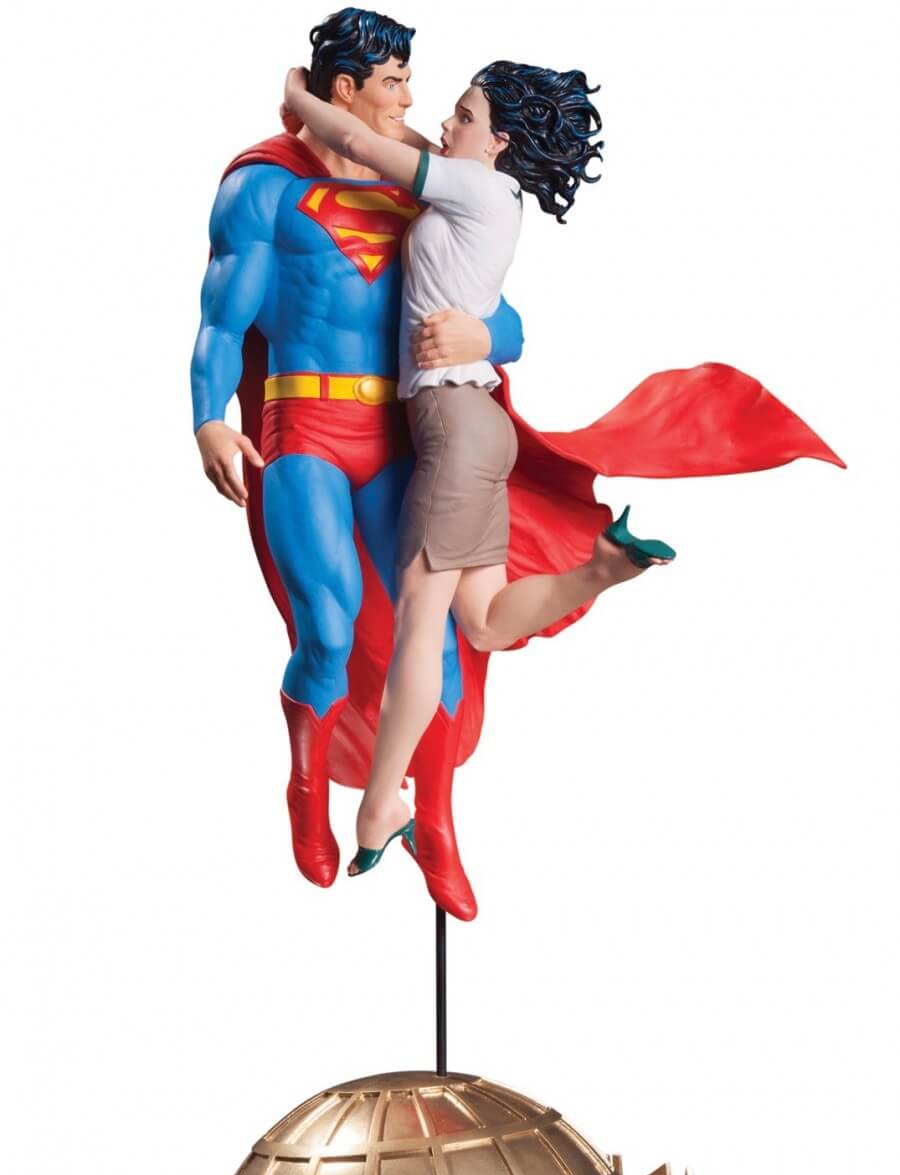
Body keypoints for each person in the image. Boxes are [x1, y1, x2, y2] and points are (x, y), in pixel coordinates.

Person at [281, 60, 678, 877]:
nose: (444, 122)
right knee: (485, 621)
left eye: (464, 114)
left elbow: (365, 141)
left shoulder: (472, 189)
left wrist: (298, 96)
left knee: (420, 629)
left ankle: (380, 805)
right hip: (476, 424)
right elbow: (404, 141)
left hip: (454, 427)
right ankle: (602, 567)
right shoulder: (492, 194)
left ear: (497, 141)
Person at [191, 8, 526, 921]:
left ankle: (436, 822)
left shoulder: (428, 187)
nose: (412, 99)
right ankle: (307, 783)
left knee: (441, 640)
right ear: (347, 89)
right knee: (329, 629)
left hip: (404, 439)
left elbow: (505, 315)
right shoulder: (264, 188)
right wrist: (208, 418)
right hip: (304, 429)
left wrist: (485, 334)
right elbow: (221, 321)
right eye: (394, 83)